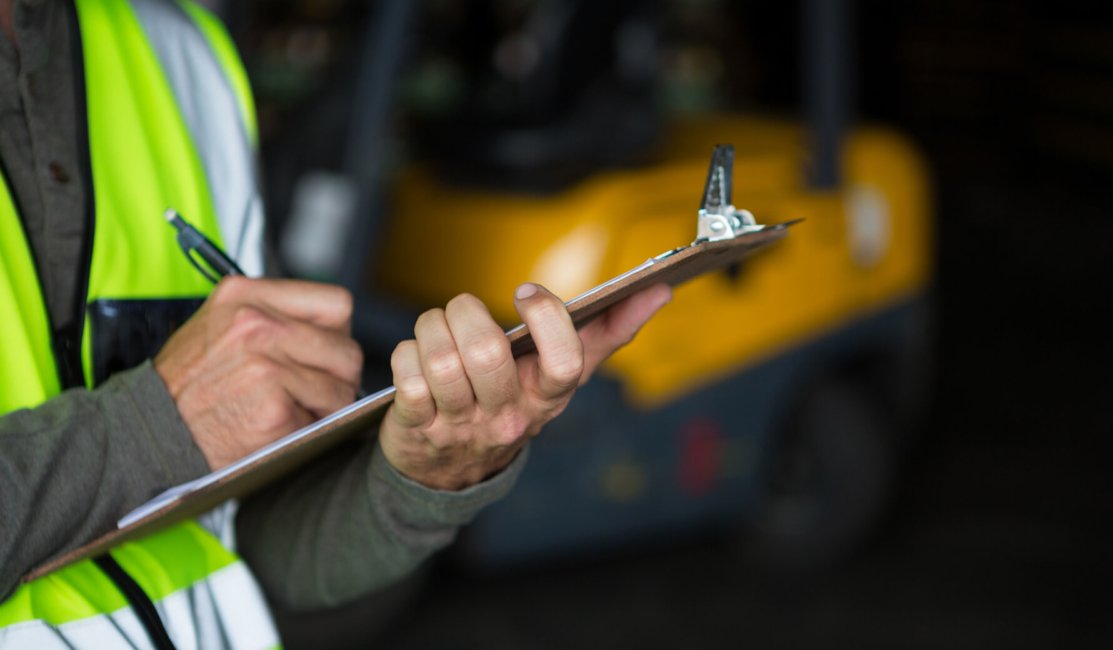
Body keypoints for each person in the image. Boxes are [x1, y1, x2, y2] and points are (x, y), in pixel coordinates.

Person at [0, 0, 670, 647]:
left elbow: (258, 550)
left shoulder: (176, 50)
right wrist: (153, 427)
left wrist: (427, 478)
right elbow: (165, 434)